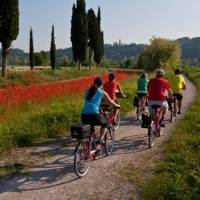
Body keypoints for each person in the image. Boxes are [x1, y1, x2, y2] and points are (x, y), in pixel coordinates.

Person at [81, 77, 120, 144]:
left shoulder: (87, 90)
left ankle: (91, 144)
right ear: (101, 85)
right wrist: (117, 105)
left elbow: (88, 101)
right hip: (94, 115)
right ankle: (100, 140)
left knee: (91, 128)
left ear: (94, 83)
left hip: (84, 115)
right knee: (106, 123)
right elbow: (111, 102)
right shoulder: (102, 93)